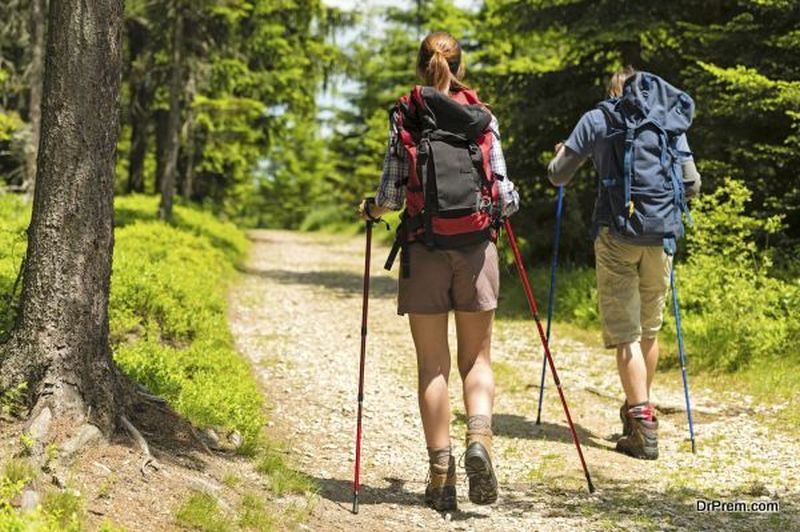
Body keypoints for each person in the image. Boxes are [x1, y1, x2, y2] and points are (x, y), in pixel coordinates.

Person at [357, 31, 519, 511]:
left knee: (433, 367)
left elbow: (391, 193)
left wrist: (371, 210)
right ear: (460, 67)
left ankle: (441, 476)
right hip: (475, 251)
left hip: (423, 248)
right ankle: (480, 441)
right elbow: (505, 194)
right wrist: (500, 210)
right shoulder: (482, 118)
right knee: (477, 361)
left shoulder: (405, 114)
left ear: (419, 67)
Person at [547, 66, 701, 460]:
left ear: (613, 89)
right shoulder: (668, 120)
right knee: (649, 328)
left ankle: (642, 424)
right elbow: (693, 184)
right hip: (662, 236)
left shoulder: (598, 118)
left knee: (627, 334)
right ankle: (638, 410)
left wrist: (560, 155)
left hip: (616, 233)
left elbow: (558, 176)